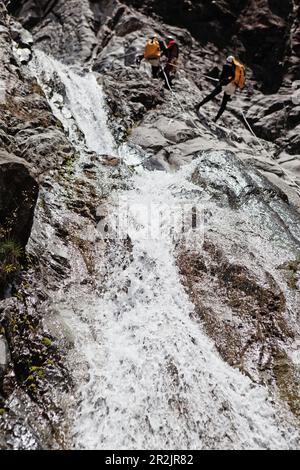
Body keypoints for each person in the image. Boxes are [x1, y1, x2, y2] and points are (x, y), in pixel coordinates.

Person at [195, 55, 245, 122]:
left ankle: (198, 105)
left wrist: (220, 81)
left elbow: (222, 76)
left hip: (225, 84)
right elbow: (234, 77)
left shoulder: (226, 66)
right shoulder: (237, 69)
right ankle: (216, 118)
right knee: (224, 103)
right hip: (233, 87)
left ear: (227, 60)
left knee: (212, 95)